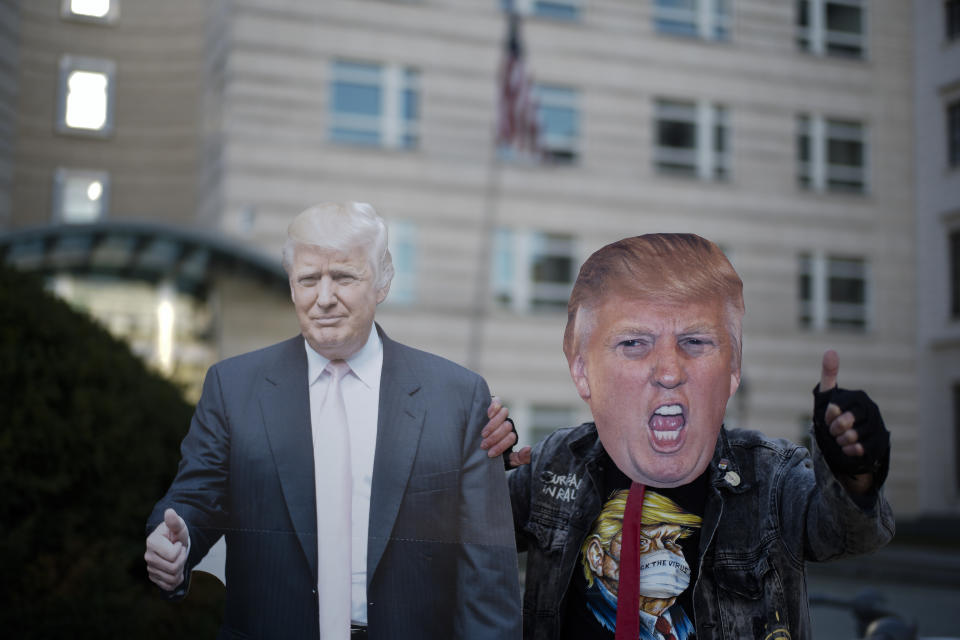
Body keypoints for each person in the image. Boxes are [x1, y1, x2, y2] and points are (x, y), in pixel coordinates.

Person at [145, 202, 522, 640]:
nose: (324, 298)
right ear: (291, 286)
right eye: (308, 279)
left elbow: (487, 575)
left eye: (343, 277)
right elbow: (196, 497)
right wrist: (178, 540)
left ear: (382, 282)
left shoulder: (458, 397)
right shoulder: (232, 387)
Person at [508, 233, 893, 640]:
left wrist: (855, 472)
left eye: (694, 341)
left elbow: (849, 533)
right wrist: (473, 454)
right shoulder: (554, 465)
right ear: (583, 371)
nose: (670, 371)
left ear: (733, 369)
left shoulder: (769, 476)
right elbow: (461, 529)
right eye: (634, 342)